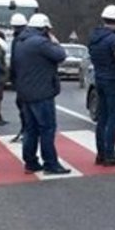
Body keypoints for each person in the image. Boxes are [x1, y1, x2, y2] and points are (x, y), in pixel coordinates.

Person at [14, 13, 71, 175]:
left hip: (25, 92)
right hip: (42, 92)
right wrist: (55, 42)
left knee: (31, 129)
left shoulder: (20, 41)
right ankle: (50, 163)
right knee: (47, 129)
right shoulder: (41, 43)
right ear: (44, 28)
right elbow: (61, 55)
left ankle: (30, 162)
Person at [88, 5, 115, 166]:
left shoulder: (94, 37)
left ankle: (101, 153)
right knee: (113, 118)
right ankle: (110, 154)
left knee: (102, 118)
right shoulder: (113, 39)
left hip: (99, 79)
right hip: (113, 80)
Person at [9, 13, 29, 143]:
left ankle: (26, 131)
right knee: (25, 106)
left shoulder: (18, 40)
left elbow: (14, 61)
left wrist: (12, 78)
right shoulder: (28, 38)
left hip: (22, 78)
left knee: (24, 107)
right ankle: (26, 130)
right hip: (27, 78)